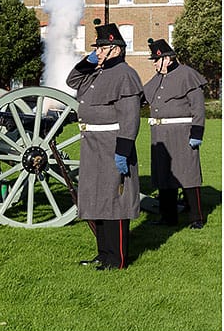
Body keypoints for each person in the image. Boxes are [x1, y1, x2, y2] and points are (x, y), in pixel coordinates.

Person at [66, 21, 143, 270]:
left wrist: (123, 150)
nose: (97, 52)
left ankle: (117, 258)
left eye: (102, 47)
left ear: (116, 49)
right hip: (91, 144)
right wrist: (89, 61)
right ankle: (103, 254)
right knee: (96, 199)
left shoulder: (126, 75)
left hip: (112, 144)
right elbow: (71, 80)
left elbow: (130, 116)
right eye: (97, 48)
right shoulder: (95, 71)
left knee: (115, 201)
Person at [143, 38, 207, 229]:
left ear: (168, 59)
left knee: (188, 175)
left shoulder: (188, 75)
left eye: (156, 59)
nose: (154, 63)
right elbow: (143, 97)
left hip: (182, 133)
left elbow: (198, 107)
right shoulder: (157, 78)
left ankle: (196, 218)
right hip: (160, 134)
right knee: (164, 176)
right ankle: (168, 217)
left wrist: (197, 133)